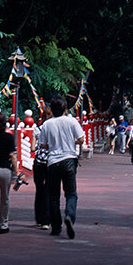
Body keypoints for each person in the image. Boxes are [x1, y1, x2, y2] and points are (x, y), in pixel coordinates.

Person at [38, 96, 85, 239]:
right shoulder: (71, 121)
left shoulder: (47, 124)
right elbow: (82, 139)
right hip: (69, 159)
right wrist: (72, 141)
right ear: (65, 109)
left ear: (52, 110)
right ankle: (69, 216)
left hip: (52, 162)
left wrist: (53, 144)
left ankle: (56, 227)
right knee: (71, 193)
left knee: (53, 196)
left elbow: (42, 144)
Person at [31, 105, 52, 229]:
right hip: (50, 162)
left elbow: (33, 148)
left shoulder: (37, 129)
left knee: (39, 190)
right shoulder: (53, 129)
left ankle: (38, 219)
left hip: (38, 163)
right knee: (48, 190)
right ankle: (46, 221)